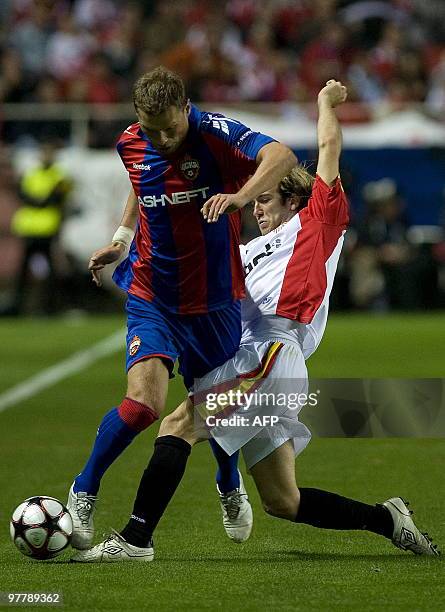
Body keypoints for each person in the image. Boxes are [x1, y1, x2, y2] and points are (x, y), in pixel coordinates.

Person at [72, 80, 439, 562]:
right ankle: (386, 519)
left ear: (291, 200)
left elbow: (327, 149)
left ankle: (135, 540)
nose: (258, 210)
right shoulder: (246, 253)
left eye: (266, 201)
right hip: (256, 360)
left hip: (272, 356)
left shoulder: (317, 225)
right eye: (257, 202)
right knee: (283, 501)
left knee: (178, 425)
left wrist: (325, 103)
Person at [67, 66, 297, 549]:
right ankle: (84, 489)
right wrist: (122, 239)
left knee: (210, 408)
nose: (163, 138)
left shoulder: (215, 135)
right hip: (153, 295)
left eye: (171, 127)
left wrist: (240, 196)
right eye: (153, 130)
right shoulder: (131, 141)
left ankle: (228, 483)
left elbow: (282, 155)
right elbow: (142, 182)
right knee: (143, 405)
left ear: (185, 108)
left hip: (214, 301)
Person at [3, 141, 71, 316]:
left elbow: (54, 199)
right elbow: (24, 195)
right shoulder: (32, 174)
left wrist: (38, 200)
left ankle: (49, 307)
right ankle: (17, 307)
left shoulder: (61, 176)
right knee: (23, 272)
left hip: (48, 229)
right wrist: (42, 200)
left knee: (51, 273)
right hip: (30, 228)